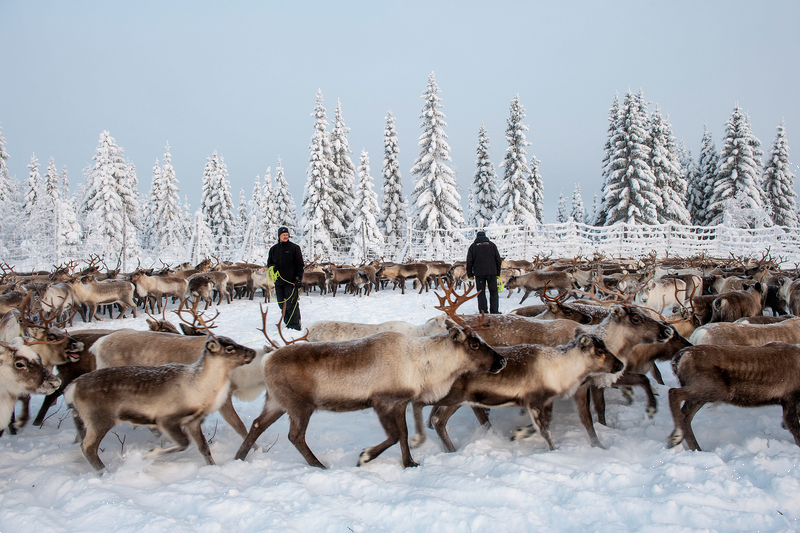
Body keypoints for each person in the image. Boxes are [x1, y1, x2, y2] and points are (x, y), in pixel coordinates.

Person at [267, 226, 304, 330]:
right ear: (279, 236)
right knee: (281, 303)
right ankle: (287, 323)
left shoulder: (294, 248)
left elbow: (299, 264)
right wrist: (272, 267)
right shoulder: (273, 249)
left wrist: (298, 278)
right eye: (283, 235)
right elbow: (269, 263)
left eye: (287, 235)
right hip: (278, 282)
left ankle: (295, 325)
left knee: (292, 303)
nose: (285, 236)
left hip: (291, 282)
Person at [466, 230, 502, 314]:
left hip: (479, 273)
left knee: (481, 293)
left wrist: (470, 275)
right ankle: (494, 311)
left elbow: (469, 262)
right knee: (493, 291)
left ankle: (483, 311)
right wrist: (497, 273)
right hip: (492, 272)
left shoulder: (473, 247)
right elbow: (498, 260)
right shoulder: (492, 245)